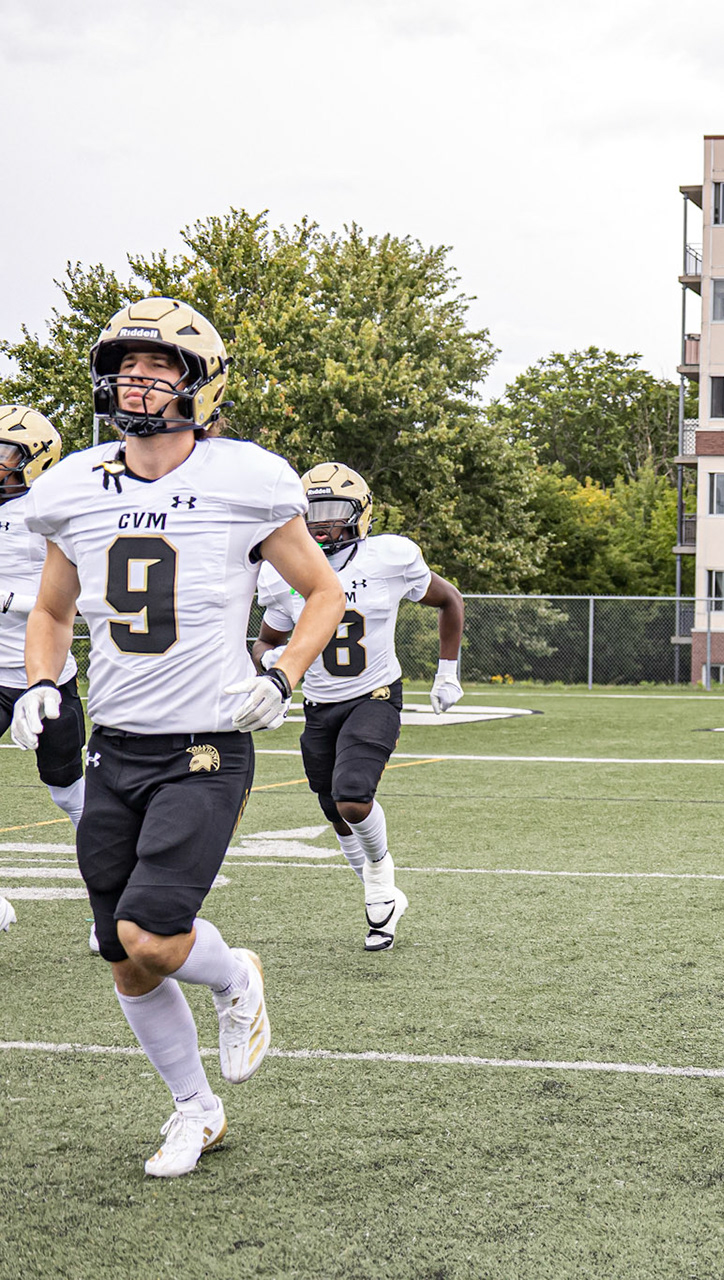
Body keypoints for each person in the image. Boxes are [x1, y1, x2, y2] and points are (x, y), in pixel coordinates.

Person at [11, 296, 345, 1177]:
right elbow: (52, 612)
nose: (138, 382)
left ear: (202, 385)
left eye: (159, 368)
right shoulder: (72, 485)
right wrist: (42, 683)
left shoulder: (247, 478)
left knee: (155, 936)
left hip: (205, 744)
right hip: (114, 744)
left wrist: (283, 675)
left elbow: (324, 593)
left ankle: (235, 977)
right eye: (126, 367)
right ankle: (195, 1110)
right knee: (123, 957)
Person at [253, 462, 465, 950]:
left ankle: (381, 883)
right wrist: (272, 669)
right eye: (313, 512)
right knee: (334, 809)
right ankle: (381, 889)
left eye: (333, 511)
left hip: (375, 694)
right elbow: (264, 642)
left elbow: (450, 600)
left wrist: (447, 672)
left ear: (361, 512)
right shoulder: (283, 572)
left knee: (352, 796)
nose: (323, 523)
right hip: (319, 704)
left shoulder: (389, 557)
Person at [0, 407, 86, 836]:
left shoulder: (50, 512)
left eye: (4, 453)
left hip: (45, 674)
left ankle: (109, 866)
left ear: (35, 460)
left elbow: (86, 596)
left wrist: (11, 602)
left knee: (66, 787)